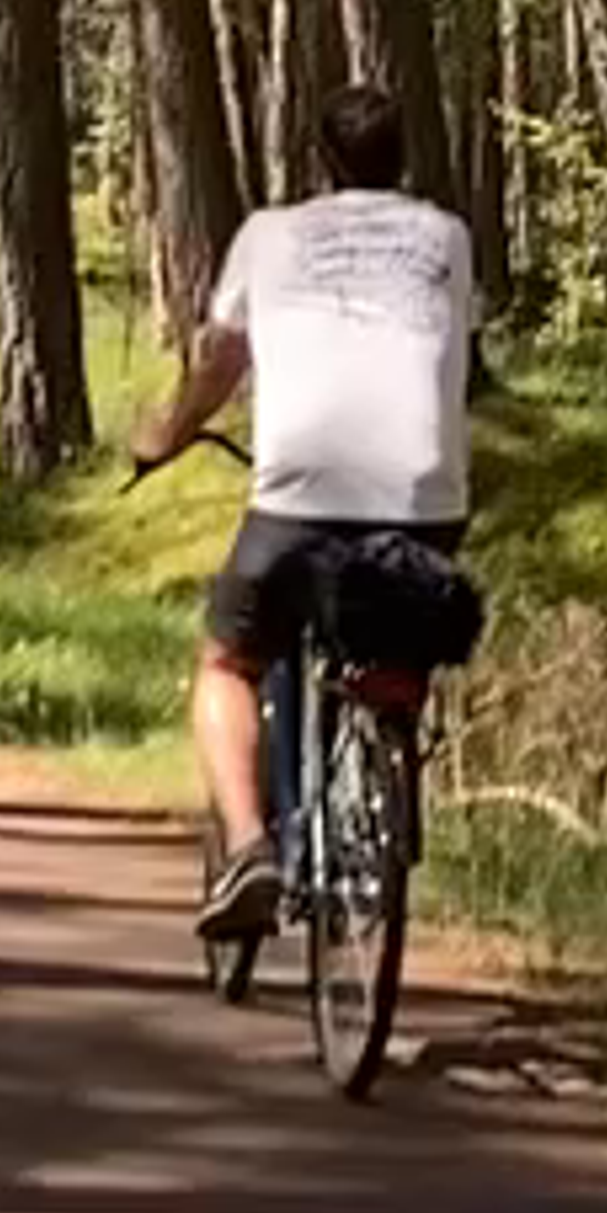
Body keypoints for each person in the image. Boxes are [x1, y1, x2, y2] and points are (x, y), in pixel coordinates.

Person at [130, 79, 475, 944]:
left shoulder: (269, 234)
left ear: (321, 161)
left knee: (228, 662)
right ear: (403, 157)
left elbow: (219, 362)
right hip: (427, 498)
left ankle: (250, 845)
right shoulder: (447, 235)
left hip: (301, 497)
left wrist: (165, 437)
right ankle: (387, 773)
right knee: (394, 624)